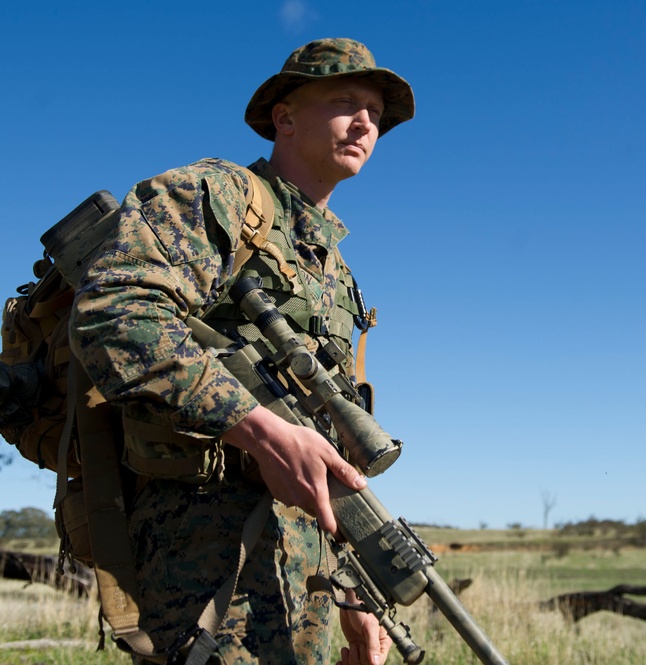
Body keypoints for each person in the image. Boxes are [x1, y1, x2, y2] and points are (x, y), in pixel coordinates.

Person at [69, 38, 414, 665]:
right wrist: (257, 429)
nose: (367, 122)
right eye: (345, 101)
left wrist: (355, 602)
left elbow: (322, 445)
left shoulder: (333, 268)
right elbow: (112, 315)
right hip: (208, 561)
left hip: (303, 577)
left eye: (376, 113)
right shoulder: (215, 196)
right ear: (284, 117)